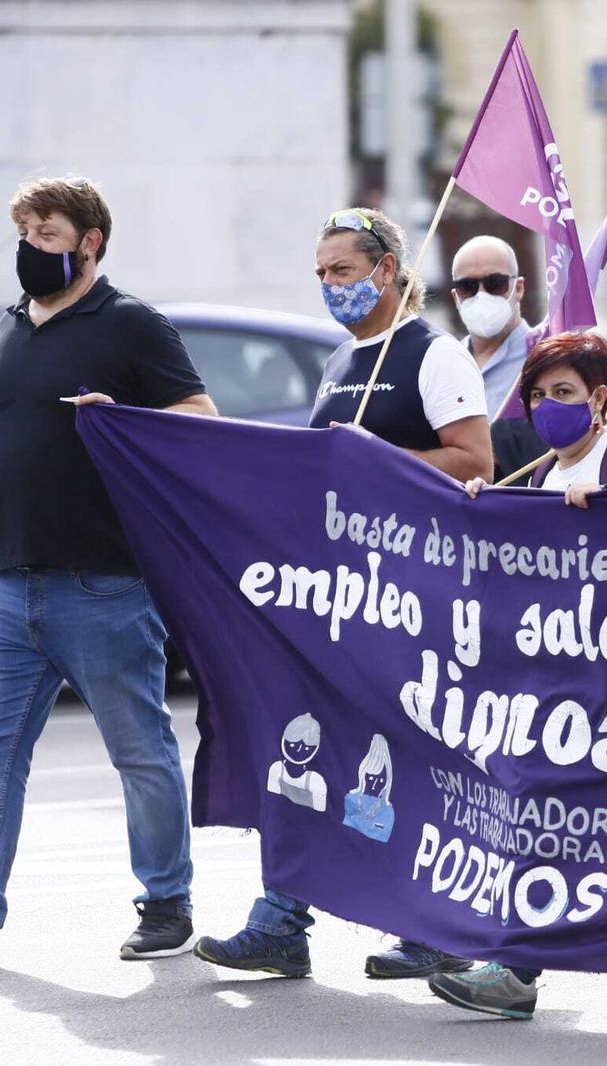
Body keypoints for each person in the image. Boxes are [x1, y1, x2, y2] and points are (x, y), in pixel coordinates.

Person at [0, 177, 217, 968]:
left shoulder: (131, 324)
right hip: (9, 588)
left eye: (47, 233)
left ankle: (166, 902)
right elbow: (1, 447)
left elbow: (202, 422)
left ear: (91, 241)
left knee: (140, 751)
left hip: (106, 586)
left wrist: (121, 417)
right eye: (22, 231)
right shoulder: (11, 328)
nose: (30, 246)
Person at [194, 207, 490, 982]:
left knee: (414, 763)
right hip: (336, 599)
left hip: (410, 603)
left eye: (344, 272)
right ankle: (281, 920)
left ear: (387, 270)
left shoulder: (435, 356)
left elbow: (474, 460)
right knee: (306, 750)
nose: (331, 286)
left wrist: (380, 457)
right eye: (322, 274)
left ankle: (436, 929)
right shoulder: (338, 362)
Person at [432, 331, 607, 1021]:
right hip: (567, 690)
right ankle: (516, 967)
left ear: (598, 398)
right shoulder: (534, 477)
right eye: (537, 395)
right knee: (537, 807)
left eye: (563, 393)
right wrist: (483, 508)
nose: (547, 407)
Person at [449, 234, 549, 481]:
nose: (481, 295)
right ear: (456, 297)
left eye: (495, 284)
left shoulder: (548, 358)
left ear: (519, 288)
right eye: (468, 287)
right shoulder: (444, 362)